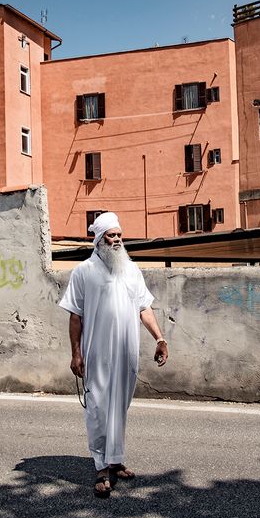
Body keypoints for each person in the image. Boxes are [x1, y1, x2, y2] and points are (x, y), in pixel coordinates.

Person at [58, 212, 168, 498]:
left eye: (120, 234)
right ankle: (100, 468)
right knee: (98, 408)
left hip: (125, 353)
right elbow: (75, 316)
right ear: (99, 239)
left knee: (119, 406)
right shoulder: (84, 271)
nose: (118, 239)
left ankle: (115, 460)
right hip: (97, 353)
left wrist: (159, 337)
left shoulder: (131, 269)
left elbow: (144, 308)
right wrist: (76, 354)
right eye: (111, 235)